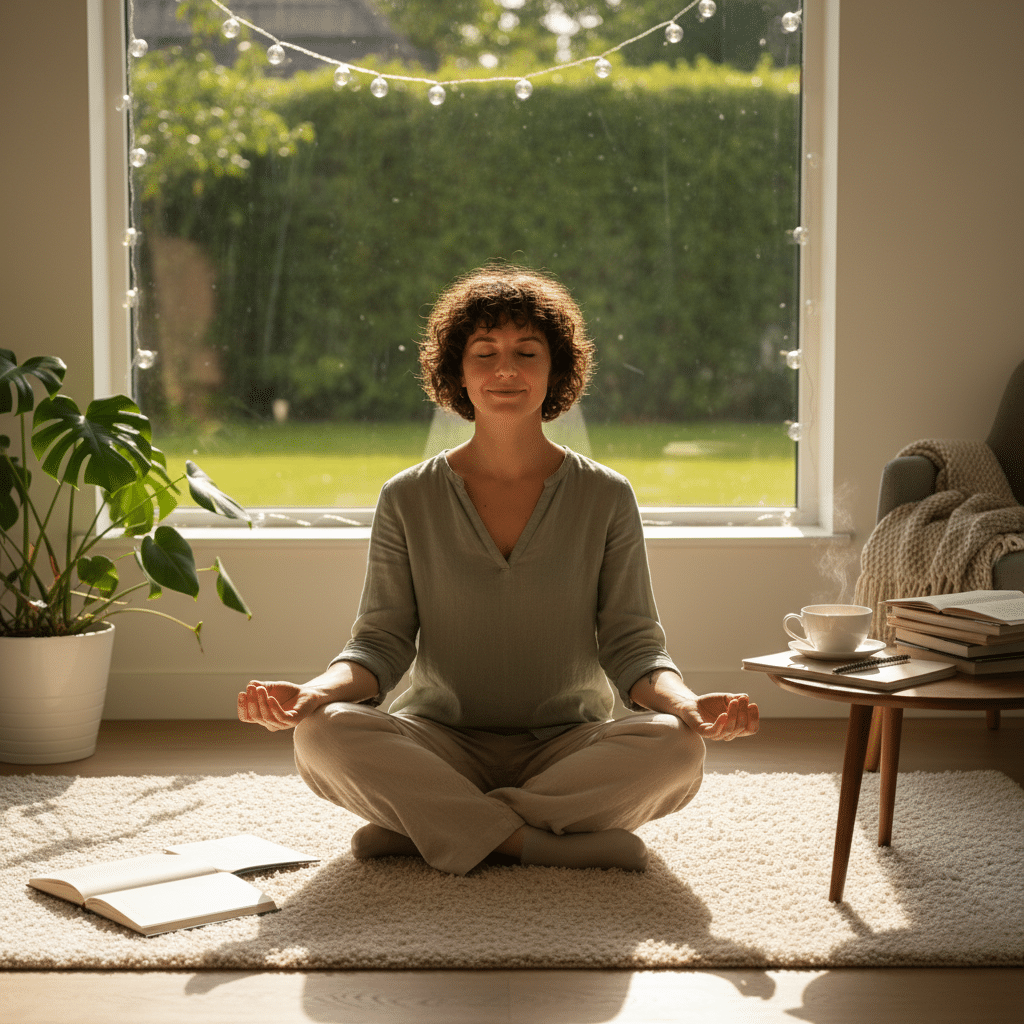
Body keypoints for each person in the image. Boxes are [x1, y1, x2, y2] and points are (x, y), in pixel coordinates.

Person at [238, 264, 758, 875]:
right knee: (322, 734)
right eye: (484, 353)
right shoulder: (406, 498)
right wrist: (312, 694)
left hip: (570, 744)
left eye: (526, 352)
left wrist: (689, 706)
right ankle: (534, 841)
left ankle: (430, 828)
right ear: (457, 371)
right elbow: (378, 644)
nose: (505, 370)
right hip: (439, 741)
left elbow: (634, 647)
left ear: (555, 368)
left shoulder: (607, 496)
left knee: (676, 748)